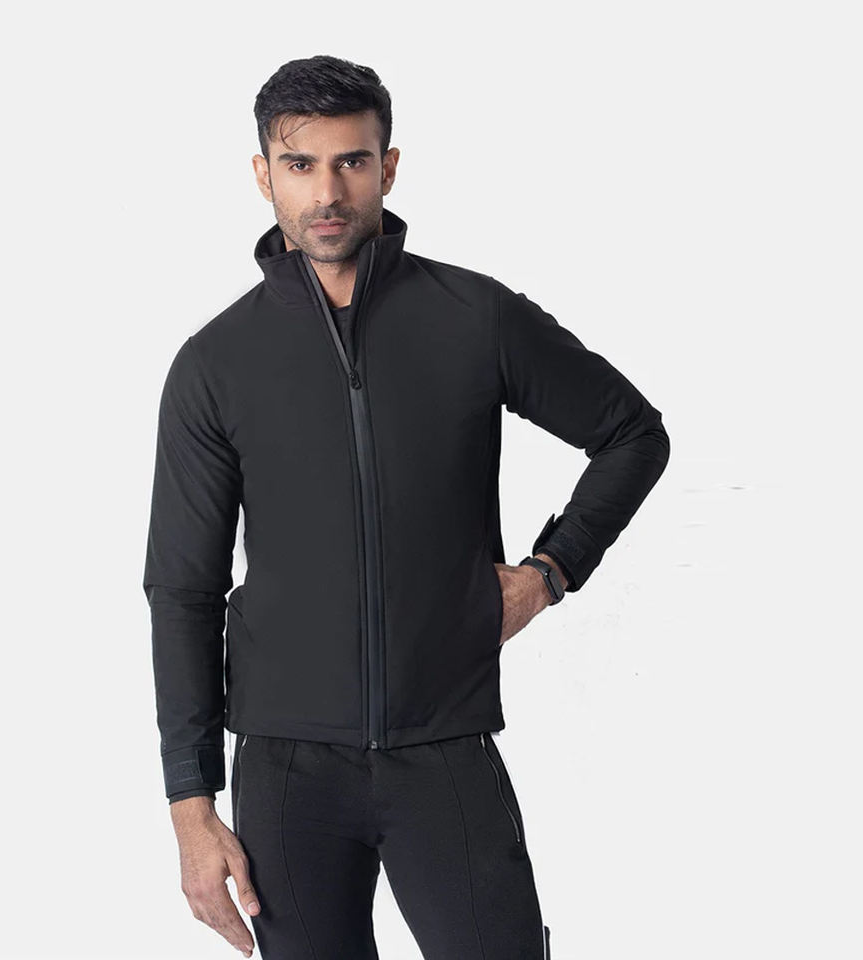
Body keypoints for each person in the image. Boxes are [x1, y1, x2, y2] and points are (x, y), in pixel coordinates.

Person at [142, 54, 669, 960]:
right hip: (287, 771)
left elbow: (632, 433)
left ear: (388, 167)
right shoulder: (215, 363)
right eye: (300, 165)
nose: (327, 192)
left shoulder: (474, 316)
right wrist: (192, 805)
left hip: (445, 750)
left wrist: (549, 572)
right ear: (264, 176)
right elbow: (182, 589)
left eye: (351, 161)